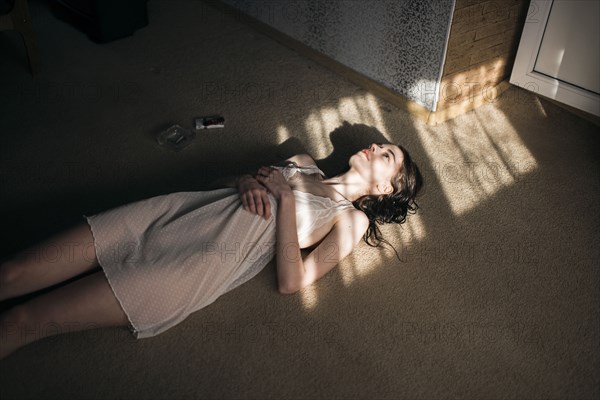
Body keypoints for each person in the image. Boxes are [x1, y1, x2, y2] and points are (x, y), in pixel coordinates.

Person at [0, 143, 423, 360]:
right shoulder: (302, 160)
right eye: (379, 143)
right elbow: (223, 183)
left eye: (386, 155)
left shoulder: (352, 220)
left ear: (384, 188)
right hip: (173, 214)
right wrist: (245, 180)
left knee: (23, 320)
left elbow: (293, 282)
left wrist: (287, 200)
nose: (373, 146)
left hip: (191, 265)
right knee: (12, 274)